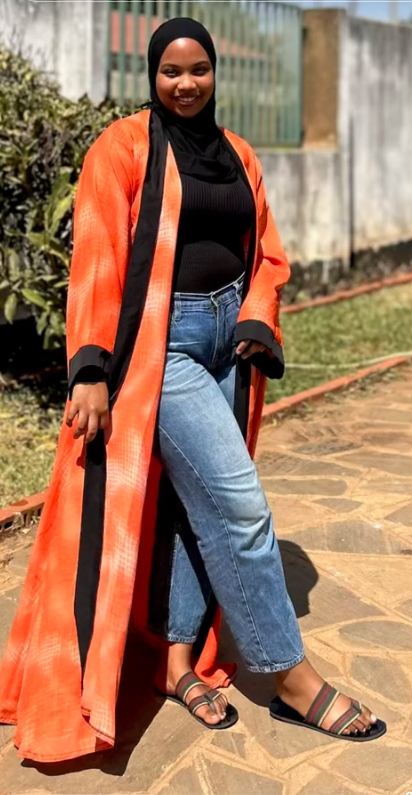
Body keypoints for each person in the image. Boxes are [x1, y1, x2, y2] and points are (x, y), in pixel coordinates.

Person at [0, 18, 385, 762]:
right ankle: (289, 675)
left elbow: (266, 252)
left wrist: (257, 316)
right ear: (152, 74)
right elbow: (97, 254)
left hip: (227, 341)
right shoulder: (122, 148)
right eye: (171, 71)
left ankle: (177, 663)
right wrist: (89, 367)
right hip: (160, 346)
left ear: (215, 73)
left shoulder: (238, 153)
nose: (185, 83)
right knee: (241, 505)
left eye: (198, 69)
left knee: (190, 503)